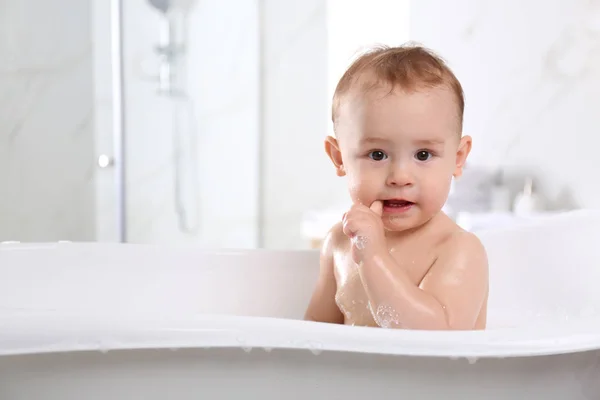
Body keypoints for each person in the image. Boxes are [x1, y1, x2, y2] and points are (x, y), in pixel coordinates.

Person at [304, 43, 489, 330]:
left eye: (423, 155)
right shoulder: (339, 243)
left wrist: (374, 258)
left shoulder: (459, 250)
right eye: (377, 155)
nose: (400, 176)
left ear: (458, 158)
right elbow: (315, 331)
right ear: (339, 158)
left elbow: (436, 340)